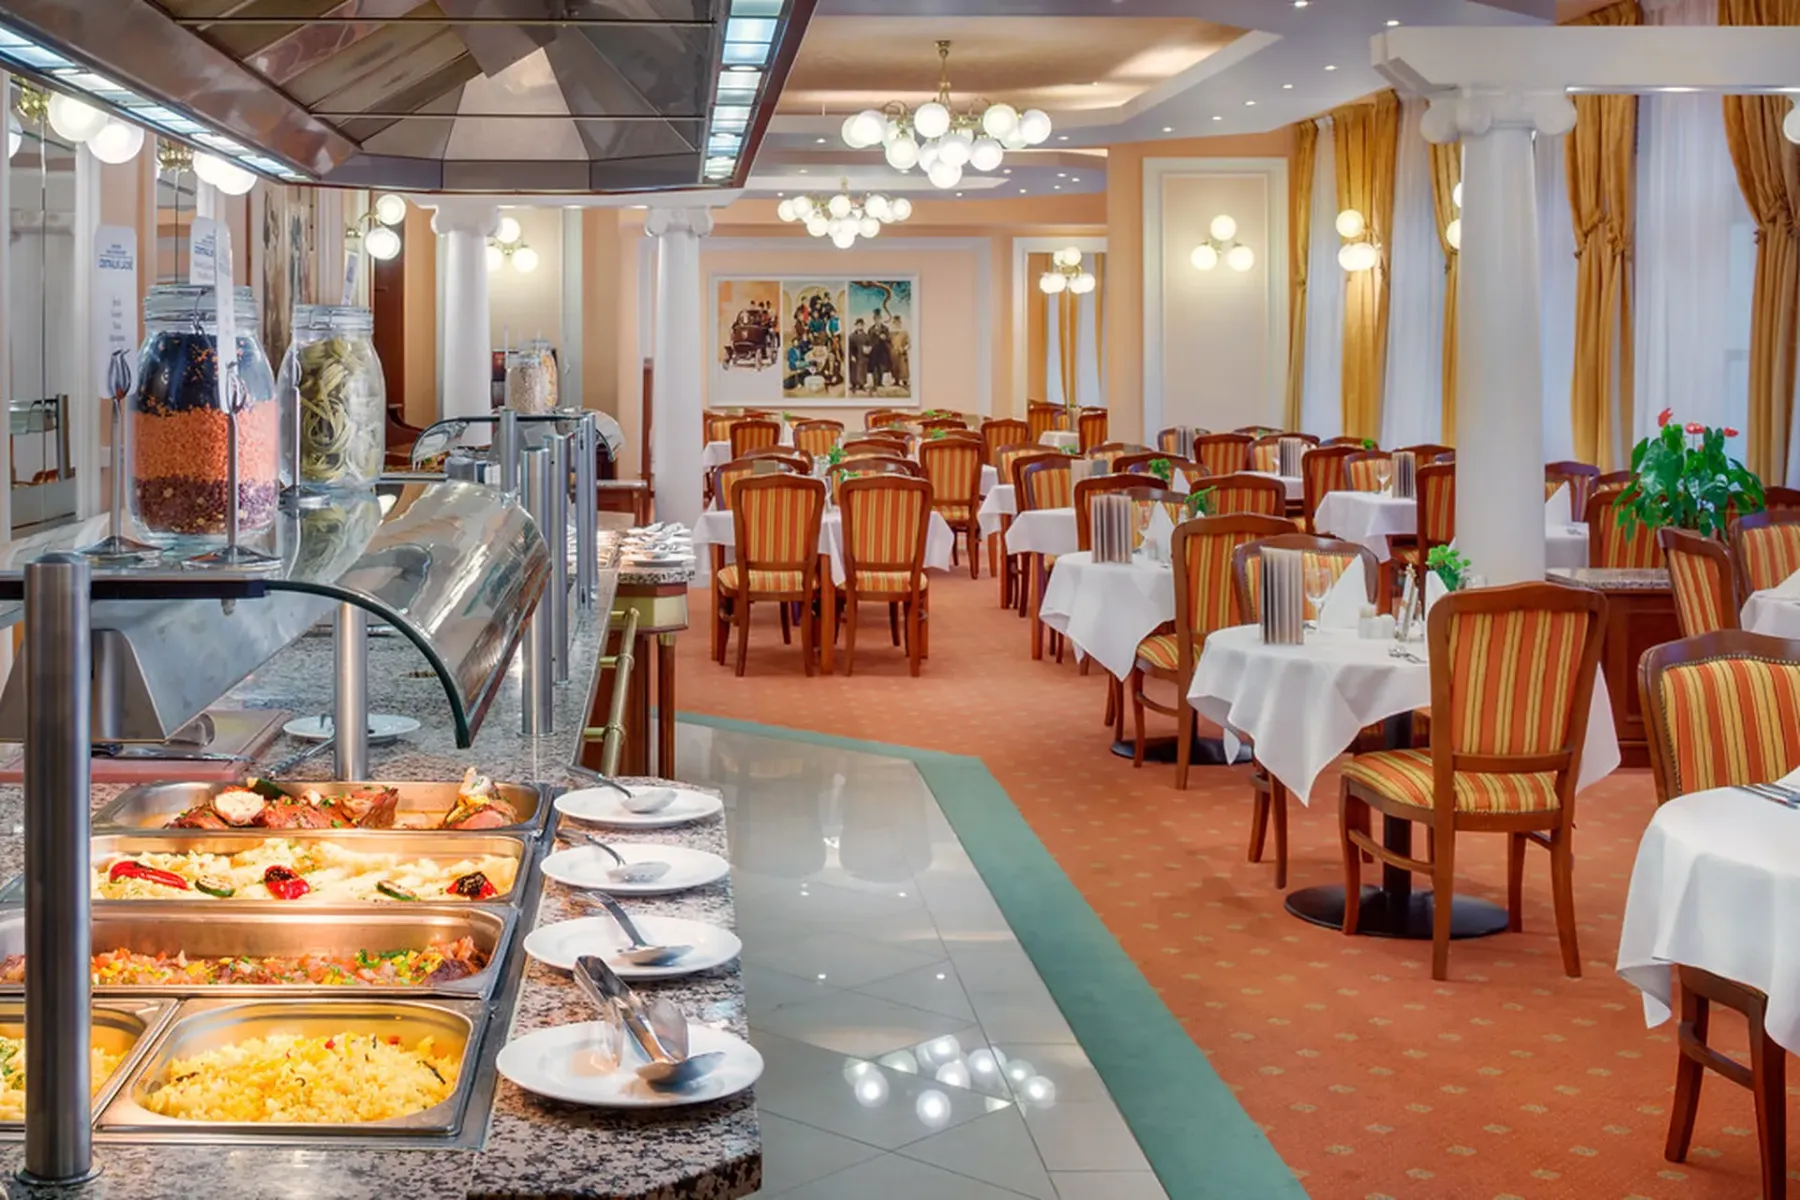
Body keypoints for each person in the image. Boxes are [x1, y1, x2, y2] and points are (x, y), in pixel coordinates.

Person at [867, 315, 893, 393]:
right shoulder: (871, 329)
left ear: (881, 319)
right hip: (874, 351)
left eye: (879, 319)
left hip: (882, 351)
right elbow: (868, 339)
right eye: (876, 319)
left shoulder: (885, 328)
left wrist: (885, 337)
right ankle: (875, 383)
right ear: (874, 320)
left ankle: (880, 382)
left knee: (881, 367)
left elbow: (889, 339)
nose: (877, 321)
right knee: (874, 367)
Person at [847, 318, 870, 394]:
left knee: (862, 371)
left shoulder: (866, 336)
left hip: (863, 357)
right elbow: (849, 347)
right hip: (855, 356)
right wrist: (851, 356)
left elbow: (869, 345)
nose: (860, 326)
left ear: (863, 326)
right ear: (856, 326)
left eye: (861, 325)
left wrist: (868, 349)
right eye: (858, 325)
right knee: (854, 371)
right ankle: (853, 385)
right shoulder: (852, 336)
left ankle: (862, 385)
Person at [888, 314, 911, 391]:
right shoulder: (891, 333)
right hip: (894, 353)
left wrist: (904, 349)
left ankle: (905, 382)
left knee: (903, 367)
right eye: (895, 322)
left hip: (902, 353)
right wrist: (891, 349)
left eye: (898, 322)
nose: (896, 324)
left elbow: (909, 344)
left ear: (900, 322)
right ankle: (896, 381)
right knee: (894, 366)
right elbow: (888, 343)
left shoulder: (904, 332)